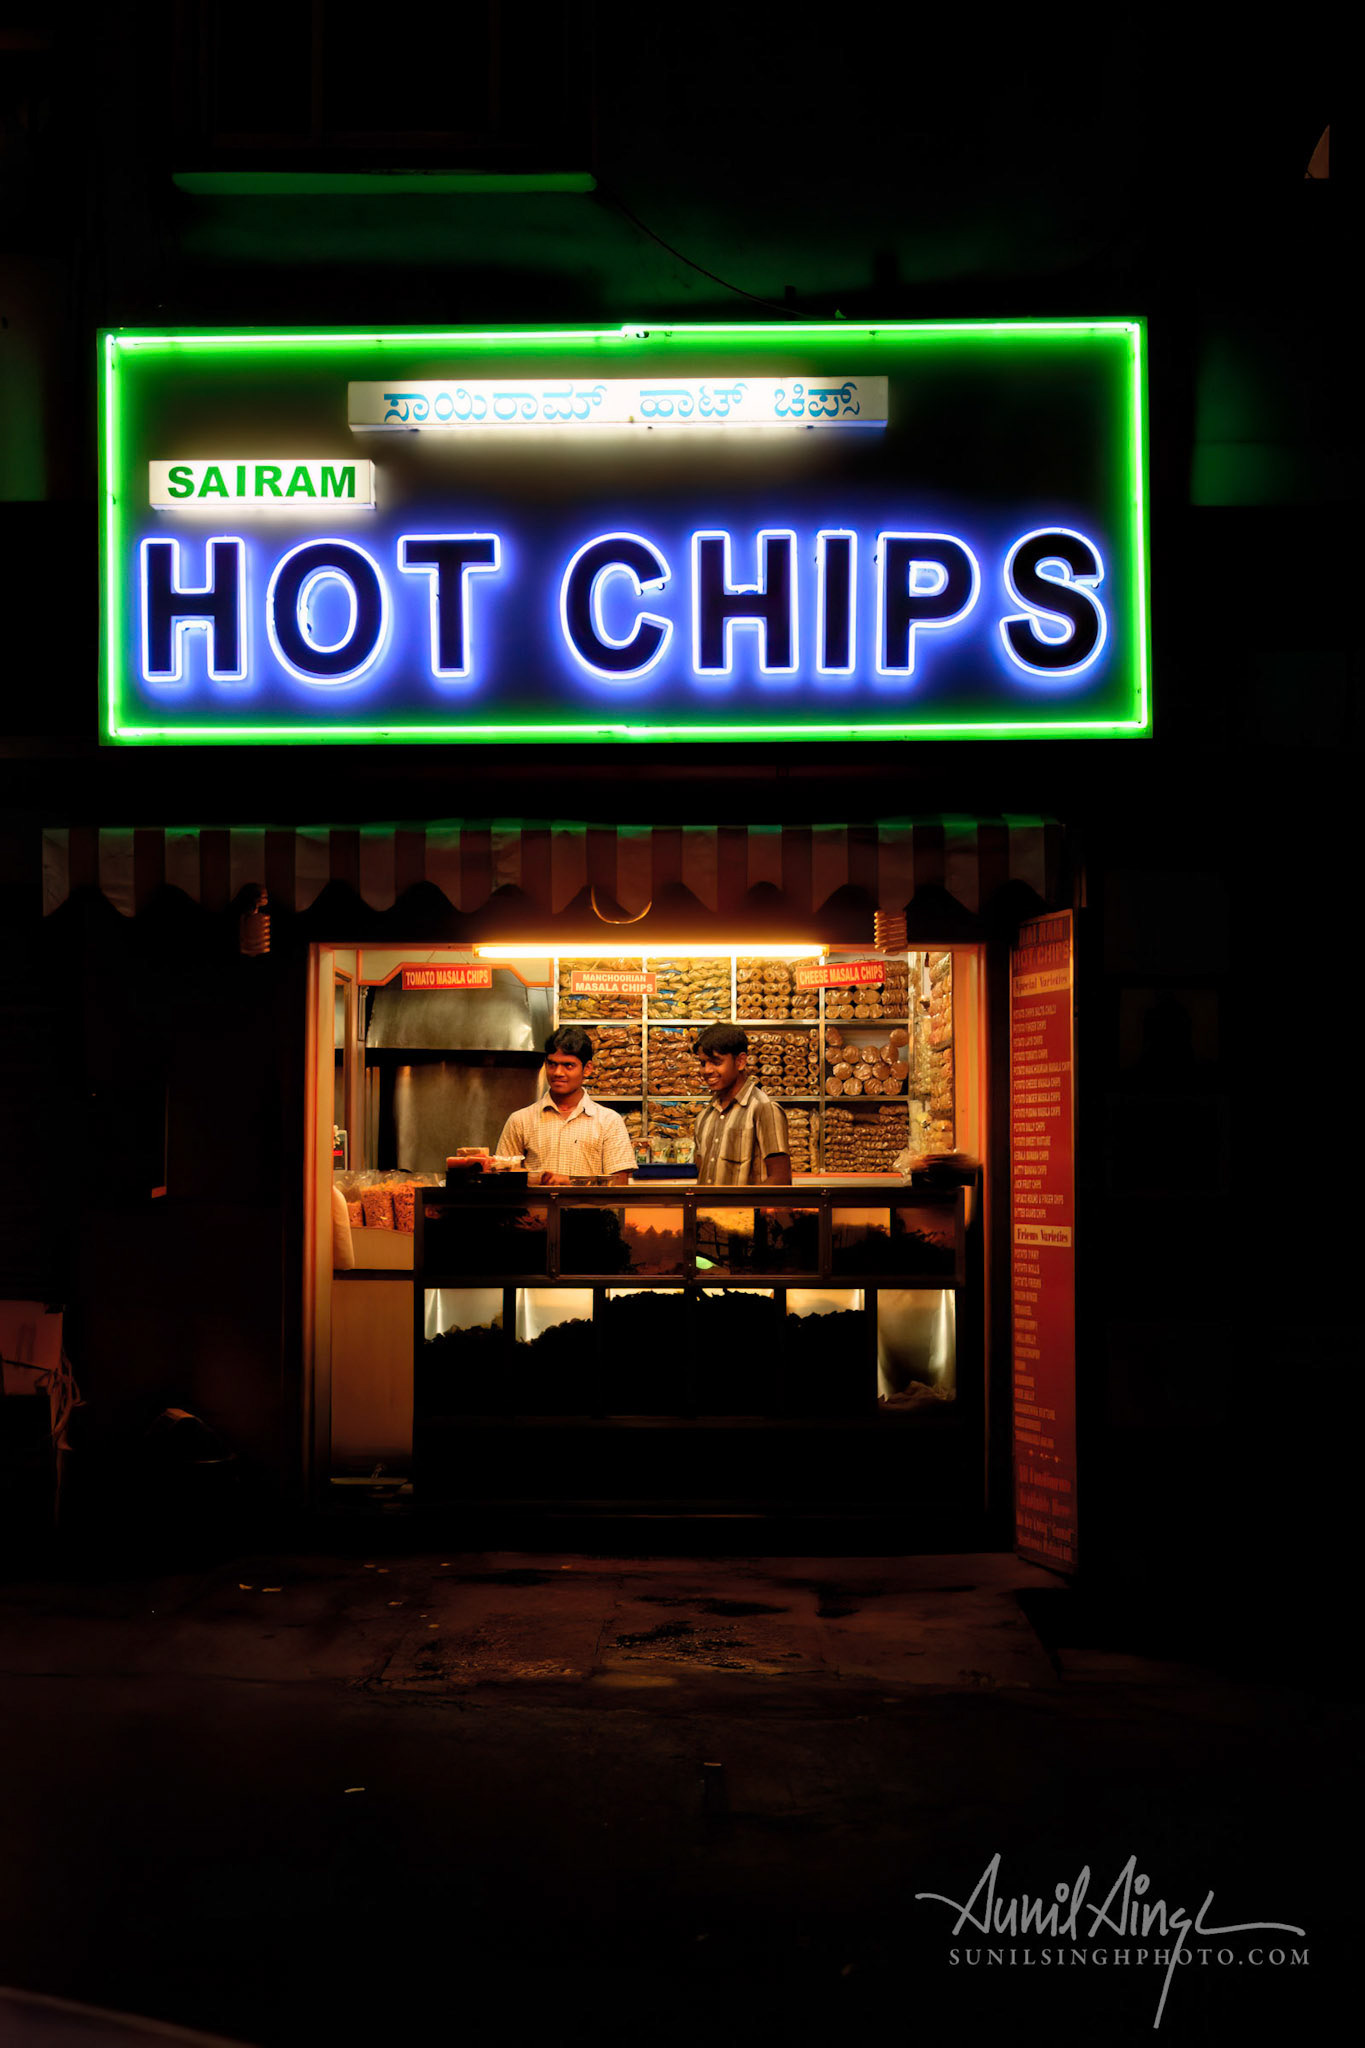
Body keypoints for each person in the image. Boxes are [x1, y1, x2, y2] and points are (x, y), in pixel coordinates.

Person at [495, 1025, 635, 1184]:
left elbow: (619, 1183)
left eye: (568, 1065)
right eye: (552, 1064)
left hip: (590, 1209)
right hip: (536, 1209)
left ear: (587, 1069)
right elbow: (502, 1178)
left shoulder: (609, 1121)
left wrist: (570, 1182)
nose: (557, 1073)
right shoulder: (520, 1121)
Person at [691, 1023, 792, 1184]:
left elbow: (780, 1179)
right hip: (708, 1209)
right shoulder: (705, 1116)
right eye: (703, 1063)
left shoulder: (764, 1109)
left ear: (740, 1062)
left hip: (746, 1209)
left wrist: (751, 1208)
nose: (707, 1070)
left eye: (716, 1062)